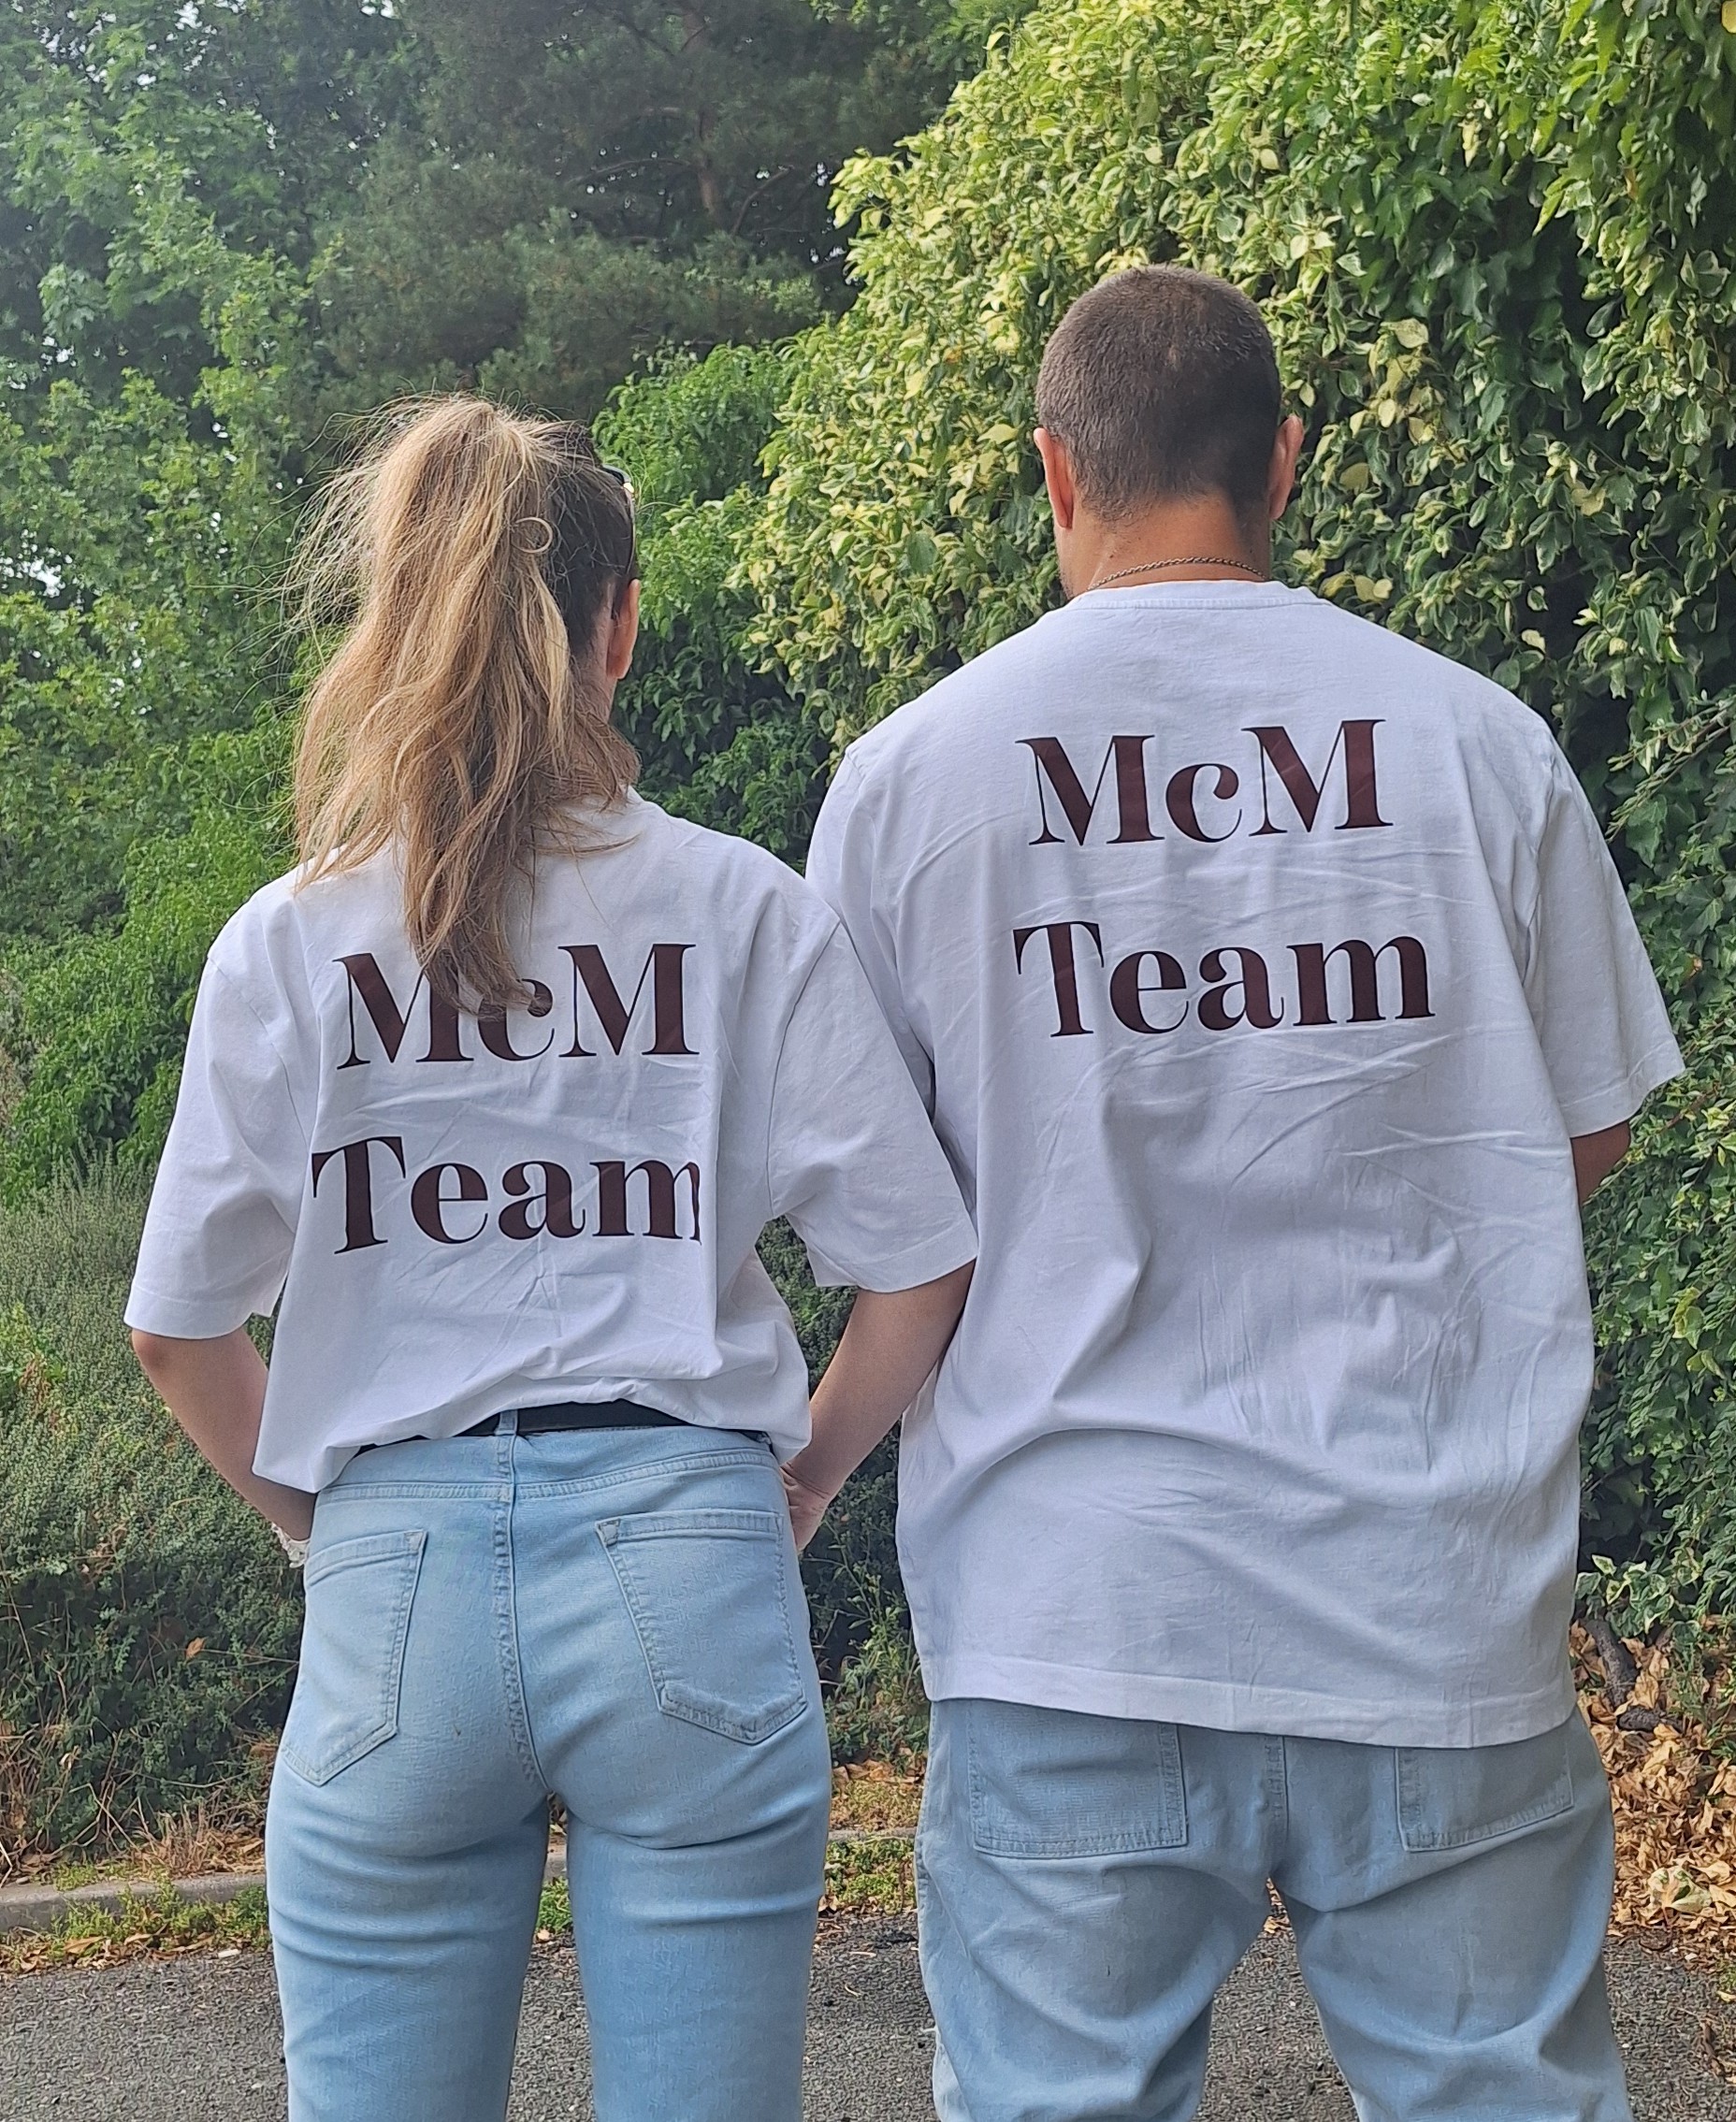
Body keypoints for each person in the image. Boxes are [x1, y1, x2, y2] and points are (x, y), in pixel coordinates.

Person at [786, 267, 1682, 2122]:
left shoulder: (908, 784)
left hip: (1073, 1607)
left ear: (1056, 472)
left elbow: (883, 1226)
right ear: (1282, 460)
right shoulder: (1478, 744)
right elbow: (1580, 1130)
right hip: (1431, 1588)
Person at [124, 397, 976, 2122]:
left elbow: (177, 1329)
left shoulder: (290, 939)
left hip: (397, 1572)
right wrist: (805, 1475)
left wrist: (331, 1526)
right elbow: (919, 1268)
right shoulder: (742, 909)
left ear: (400, 618)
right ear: (621, 624)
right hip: (693, 1545)